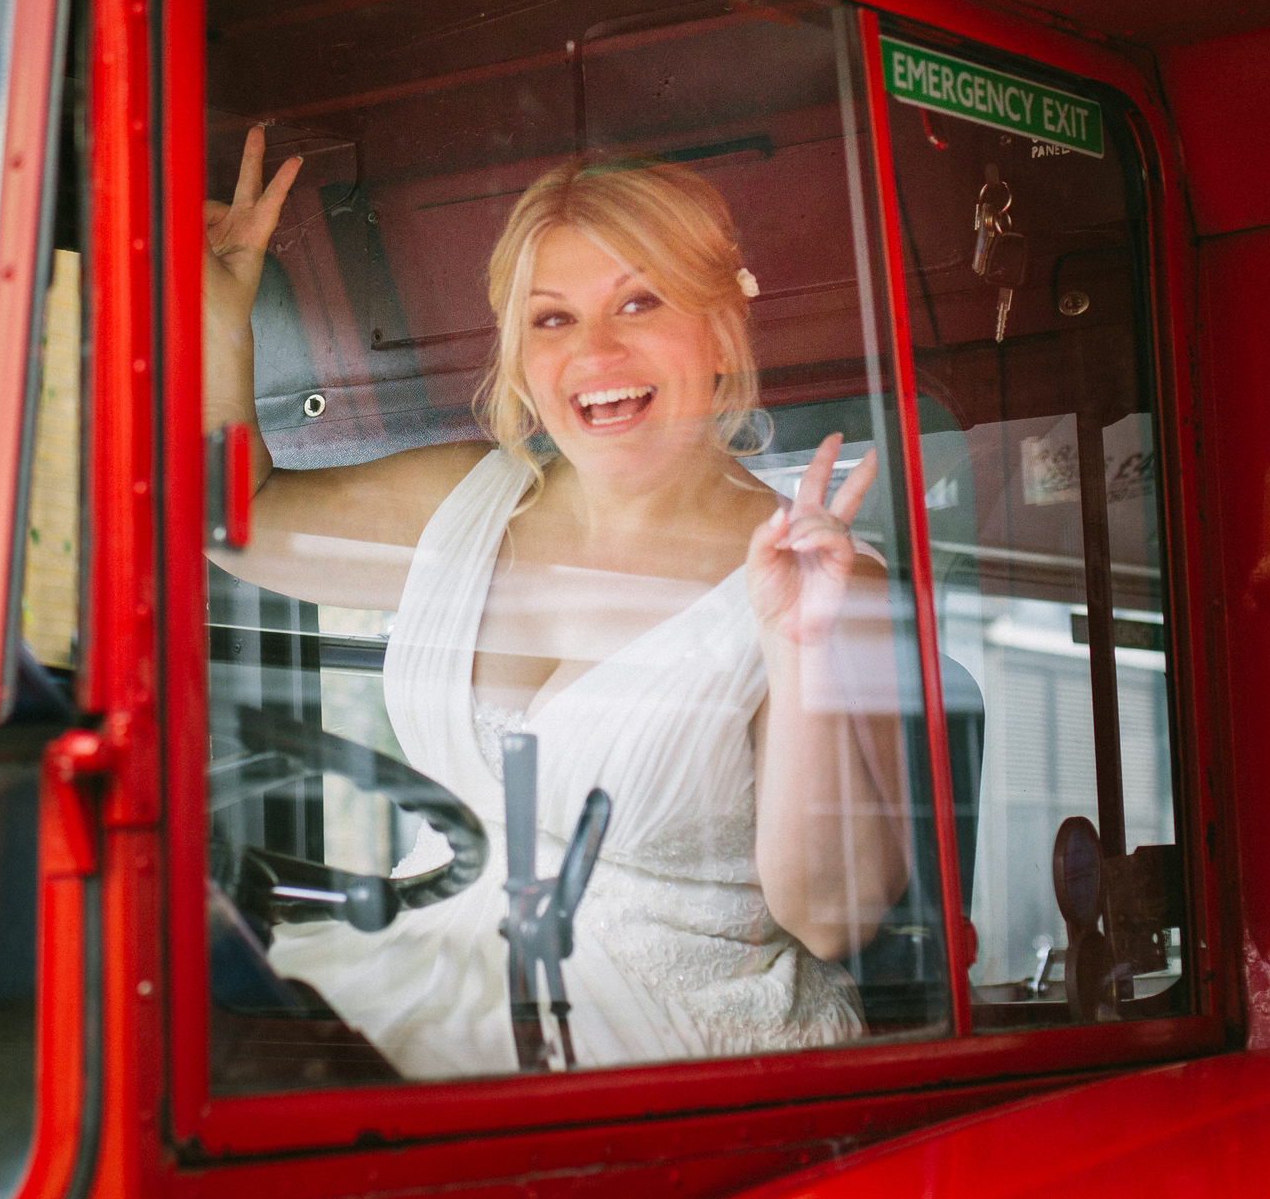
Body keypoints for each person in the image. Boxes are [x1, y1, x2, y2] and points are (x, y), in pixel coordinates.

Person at [205, 128, 911, 1075]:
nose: (597, 350)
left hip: (671, 1058)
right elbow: (233, 519)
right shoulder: (466, 500)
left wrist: (797, 648)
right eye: (553, 319)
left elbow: (832, 917)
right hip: (434, 972)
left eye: (639, 302)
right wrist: (220, 328)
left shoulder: (821, 573)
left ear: (718, 325)